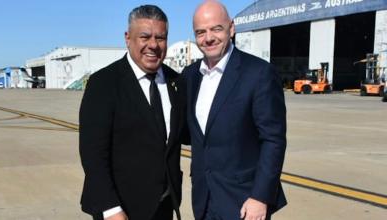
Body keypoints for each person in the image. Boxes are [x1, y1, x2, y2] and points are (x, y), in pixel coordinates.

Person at [79, 5, 186, 220]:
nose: (153, 45)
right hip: (121, 209)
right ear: (128, 38)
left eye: (161, 38)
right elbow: (93, 155)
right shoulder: (104, 83)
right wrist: (111, 209)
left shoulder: (177, 82)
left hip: (164, 206)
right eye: (145, 37)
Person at [183, 1, 287, 219]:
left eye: (216, 29)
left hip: (244, 202)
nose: (208, 38)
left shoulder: (259, 73)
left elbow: (273, 140)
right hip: (204, 199)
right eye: (200, 32)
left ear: (231, 28)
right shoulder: (190, 76)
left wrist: (260, 197)